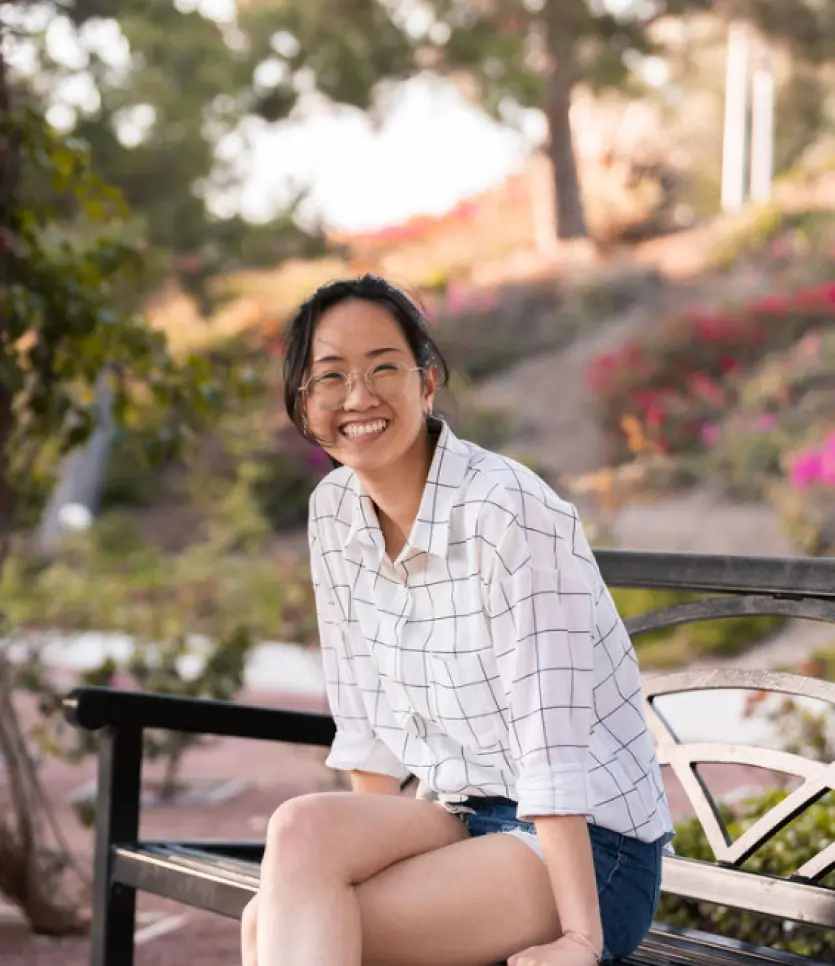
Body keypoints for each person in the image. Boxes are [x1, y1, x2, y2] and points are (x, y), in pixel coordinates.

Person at [241, 274, 674, 966]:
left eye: (383, 366)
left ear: (427, 382)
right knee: (300, 830)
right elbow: (365, 726)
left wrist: (579, 941)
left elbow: (551, 736)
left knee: (273, 928)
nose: (358, 396)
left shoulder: (504, 509)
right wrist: (358, 859)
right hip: (462, 821)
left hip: (589, 852)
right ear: (301, 403)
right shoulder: (333, 514)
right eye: (329, 377)